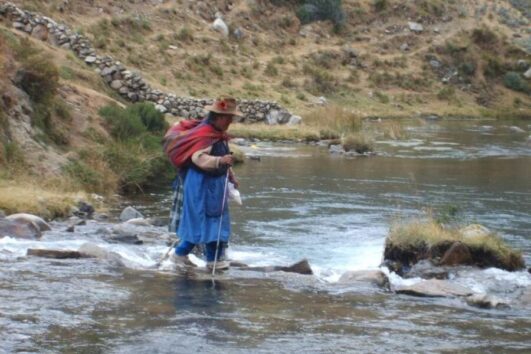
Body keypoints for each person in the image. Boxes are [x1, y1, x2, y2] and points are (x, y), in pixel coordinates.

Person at [163, 97, 241, 270]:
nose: (230, 122)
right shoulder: (205, 134)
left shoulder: (218, 135)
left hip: (214, 184)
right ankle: (208, 259)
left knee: (211, 220)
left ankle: (184, 255)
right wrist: (220, 161)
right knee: (205, 220)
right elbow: (198, 157)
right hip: (200, 184)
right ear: (219, 117)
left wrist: (231, 176)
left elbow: (223, 158)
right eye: (229, 118)